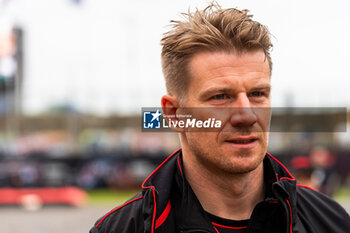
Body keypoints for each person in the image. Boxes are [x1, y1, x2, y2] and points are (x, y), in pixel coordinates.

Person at [90, 3, 350, 233]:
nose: (247, 115)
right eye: (220, 97)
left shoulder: (330, 221)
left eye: (258, 93)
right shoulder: (124, 228)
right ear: (173, 113)